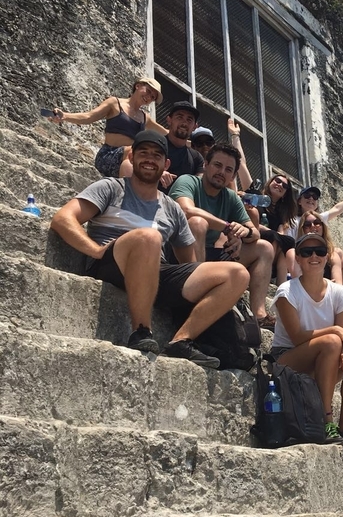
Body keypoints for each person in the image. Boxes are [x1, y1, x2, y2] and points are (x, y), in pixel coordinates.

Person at [49, 130, 248, 367]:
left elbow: (190, 263)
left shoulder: (171, 208)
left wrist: (199, 286)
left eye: (156, 155)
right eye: (143, 153)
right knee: (150, 238)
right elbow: (63, 219)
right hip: (112, 261)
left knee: (237, 274)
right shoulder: (111, 187)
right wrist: (96, 251)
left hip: (155, 269)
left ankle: (182, 341)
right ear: (131, 157)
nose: (149, 159)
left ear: (166, 164)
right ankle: (141, 331)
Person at [270, 232, 343, 454]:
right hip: (287, 359)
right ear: (297, 258)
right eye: (306, 252)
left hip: (324, 357)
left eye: (319, 252)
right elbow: (297, 337)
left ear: (327, 258)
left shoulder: (339, 293)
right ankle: (325, 421)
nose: (313, 256)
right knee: (330, 341)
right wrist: (335, 330)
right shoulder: (287, 292)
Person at [169, 144, 275, 328]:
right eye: (217, 165)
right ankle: (198, 291)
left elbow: (255, 232)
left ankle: (259, 315)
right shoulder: (188, 181)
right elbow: (186, 210)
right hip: (177, 254)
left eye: (228, 170)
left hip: (208, 253)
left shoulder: (230, 196)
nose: (222, 172)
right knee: (197, 223)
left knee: (264, 247)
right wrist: (227, 228)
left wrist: (243, 233)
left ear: (233, 176)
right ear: (206, 164)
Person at [50, 77, 165, 178]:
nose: (148, 97)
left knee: (142, 157)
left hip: (129, 160)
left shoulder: (145, 118)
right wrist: (64, 116)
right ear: (138, 86)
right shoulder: (115, 103)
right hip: (108, 155)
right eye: (148, 91)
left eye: (152, 97)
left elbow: (166, 133)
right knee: (134, 151)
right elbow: (89, 116)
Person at [286, 183, 343, 285]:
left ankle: (340, 292)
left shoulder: (320, 217)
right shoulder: (292, 222)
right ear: (299, 201)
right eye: (307, 196)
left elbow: (338, 208)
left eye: (314, 197)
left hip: (321, 259)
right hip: (303, 258)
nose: (311, 199)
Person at [259, 173, 297, 280]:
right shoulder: (257, 199)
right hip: (254, 238)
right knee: (274, 236)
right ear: (271, 182)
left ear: (285, 194)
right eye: (277, 181)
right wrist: (271, 232)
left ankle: (281, 286)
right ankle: (263, 276)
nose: (280, 185)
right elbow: (251, 224)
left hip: (273, 246)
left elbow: (281, 234)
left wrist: (276, 235)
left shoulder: (281, 213)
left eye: (285, 186)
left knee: (287, 242)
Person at [162, 101, 204, 190]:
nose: (184, 123)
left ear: (195, 127)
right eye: (179, 117)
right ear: (169, 120)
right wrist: (156, 172)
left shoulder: (196, 158)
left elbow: (200, 186)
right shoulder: (155, 144)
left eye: (189, 119)